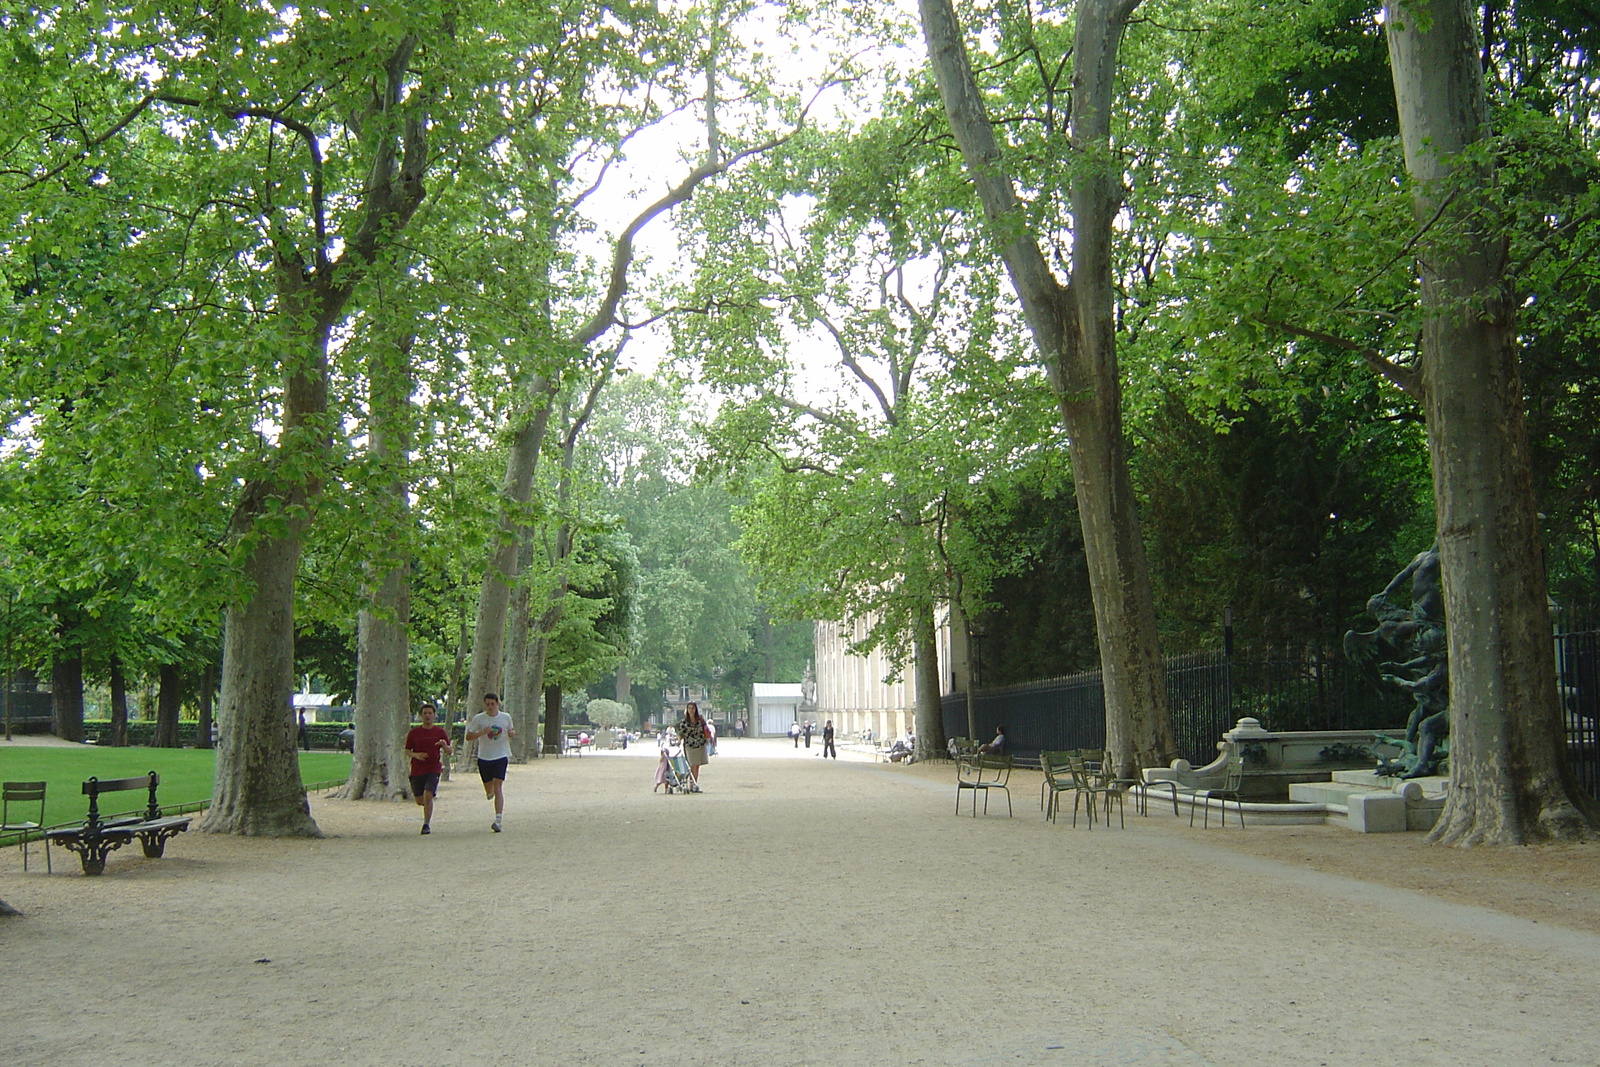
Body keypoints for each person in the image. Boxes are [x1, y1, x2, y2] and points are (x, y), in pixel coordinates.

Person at [465, 692, 515, 831]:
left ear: (497, 704)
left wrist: (512, 733)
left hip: (501, 755)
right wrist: (482, 732)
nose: (490, 707)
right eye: (487, 704)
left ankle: (498, 820)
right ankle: (489, 791)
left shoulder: (505, 717)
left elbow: (511, 730)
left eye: (493, 704)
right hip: (484, 757)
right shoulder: (479, 719)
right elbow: (468, 737)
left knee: (498, 786)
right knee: (489, 790)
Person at [404, 703, 452, 835]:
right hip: (417, 769)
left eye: (430, 713)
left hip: (433, 768)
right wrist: (416, 755)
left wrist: (443, 745)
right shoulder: (414, 733)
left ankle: (426, 824)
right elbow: (407, 750)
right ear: (421, 716)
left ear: (434, 715)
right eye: (425, 713)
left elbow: (449, 751)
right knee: (420, 800)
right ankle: (427, 806)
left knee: (428, 795)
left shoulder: (440, 732)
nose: (427, 716)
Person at [680, 701, 710, 789]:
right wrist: (678, 741)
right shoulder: (684, 721)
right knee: (691, 764)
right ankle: (691, 783)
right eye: (689, 708)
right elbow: (681, 732)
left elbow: (705, 729)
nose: (691, 710)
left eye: (692, 708)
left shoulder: (700, 719)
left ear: (695, 709)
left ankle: (694, 784)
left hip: (699, 744)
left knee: (696, 766)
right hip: (689, 745)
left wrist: (708, 739)